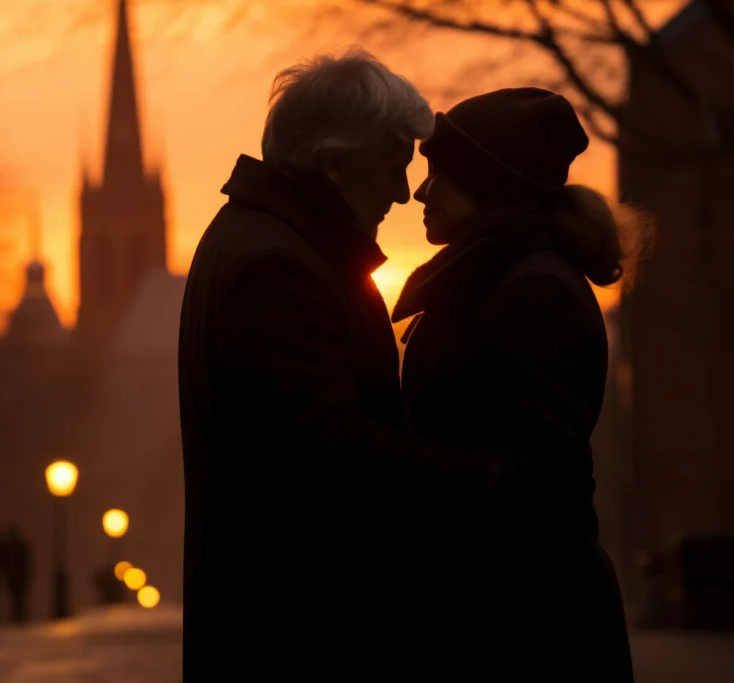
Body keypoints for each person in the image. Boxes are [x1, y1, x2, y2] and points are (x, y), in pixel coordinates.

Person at [178, 48, 510, 682]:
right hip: (300, 635)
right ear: (333, 165)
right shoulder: (277, 267)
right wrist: (486, 475)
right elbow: (332, 451)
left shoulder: (261, 240)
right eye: (390, 167)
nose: (404, 192)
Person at [392, 87, 645, 681]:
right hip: (508, 616)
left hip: (528, 630)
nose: (421, 192)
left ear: (489, 183)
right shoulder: (504, 277)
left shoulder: (533, 291)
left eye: (441, 174)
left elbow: (540, 483)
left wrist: (406, 466)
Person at [1, 524, 32, 625]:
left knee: (17, 599)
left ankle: (19, 618)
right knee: (18, 599)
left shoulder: (11, 547)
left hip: (16, 577)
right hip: (17, 577)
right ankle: (19, 618)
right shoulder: (19, 546)